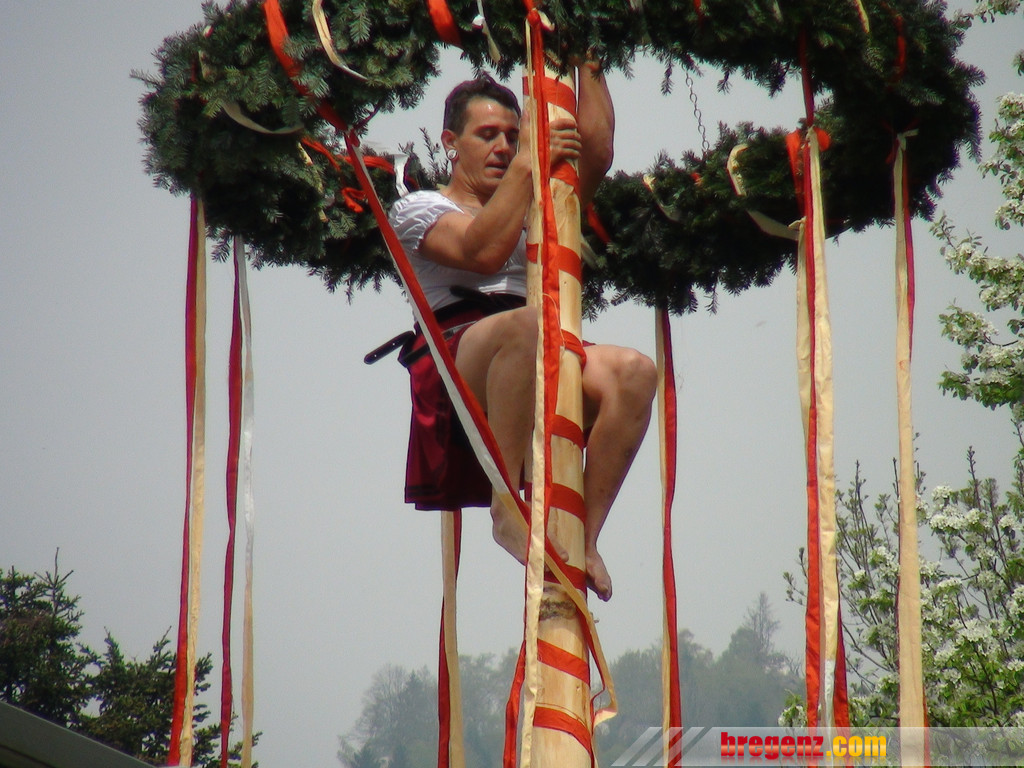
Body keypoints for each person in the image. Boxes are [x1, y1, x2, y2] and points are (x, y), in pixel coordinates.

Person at [389, 69, 656, 601]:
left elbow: (596, 151)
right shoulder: (419, 208)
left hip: (538, 342)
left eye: (513, 136)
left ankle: (586, 537)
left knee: (635, 372)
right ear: (450, 142)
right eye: (487, 135)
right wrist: (528, 163)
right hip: (461, 358)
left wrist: (586, 56)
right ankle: (508, 508)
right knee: (531, 324)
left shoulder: (539, 202)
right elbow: (481, 251)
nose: (504, 147)